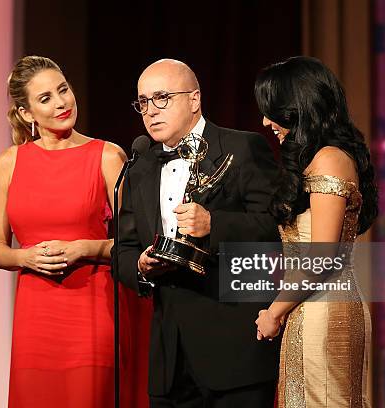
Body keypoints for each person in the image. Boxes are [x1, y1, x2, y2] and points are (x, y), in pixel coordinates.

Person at [117, 58, 281, 407]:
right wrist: (141, 268)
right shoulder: (139, 165)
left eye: (162, 97)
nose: (150, 110)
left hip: (236, 351)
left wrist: (215, 224)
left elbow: (279, 230)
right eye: (143, 102)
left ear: (194, 100)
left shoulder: (242, 148)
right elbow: (124, 250)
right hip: (170, 360)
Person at [0, 55, 149, 408]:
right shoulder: (9, 162)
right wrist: (24, 256)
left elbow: (134, 243)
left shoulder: (107, 156)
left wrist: (84, 249)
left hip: (93, 312)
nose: (61, 102)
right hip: (35, 319)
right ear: (27, 113)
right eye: (45, 98)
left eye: (63, 90)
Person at [254, 56, 378, 407]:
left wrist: (273, 312)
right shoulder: (322, 157)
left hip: (324, 309)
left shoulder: (329, 159)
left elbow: (323, 257)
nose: (265, 121)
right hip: (308, 306)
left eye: (271, 110)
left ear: (297, 107)